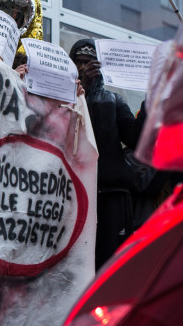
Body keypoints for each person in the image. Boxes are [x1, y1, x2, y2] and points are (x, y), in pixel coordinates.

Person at [69, 38, 146, 270]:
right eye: (78, 62)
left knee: (110, 266)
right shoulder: (64, 98)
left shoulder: (113, 100)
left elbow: (136, 139)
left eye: (89, 62)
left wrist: (150, 103)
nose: (83, 67)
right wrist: (82, 89)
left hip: (112, 197)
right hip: (75, 194)